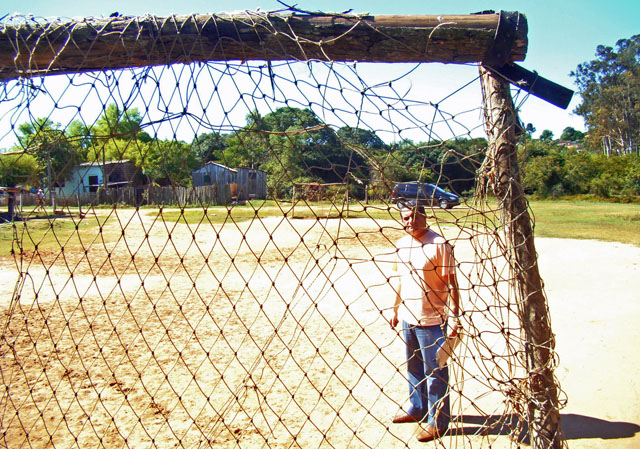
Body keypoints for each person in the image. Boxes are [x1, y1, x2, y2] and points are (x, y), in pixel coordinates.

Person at [389, 201, 461, 442]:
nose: (409, 221)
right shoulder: (401, 244)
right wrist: (395, 309)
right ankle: (417, 408)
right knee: (413, 366)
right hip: (408, 318)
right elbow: (400, 280)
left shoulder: (439, 245)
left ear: (424, 216)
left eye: (413, 217)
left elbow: (452, 283)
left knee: (435, 371)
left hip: (433, 320)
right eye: (405, 217)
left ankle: (438, 421)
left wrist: (455, 316)